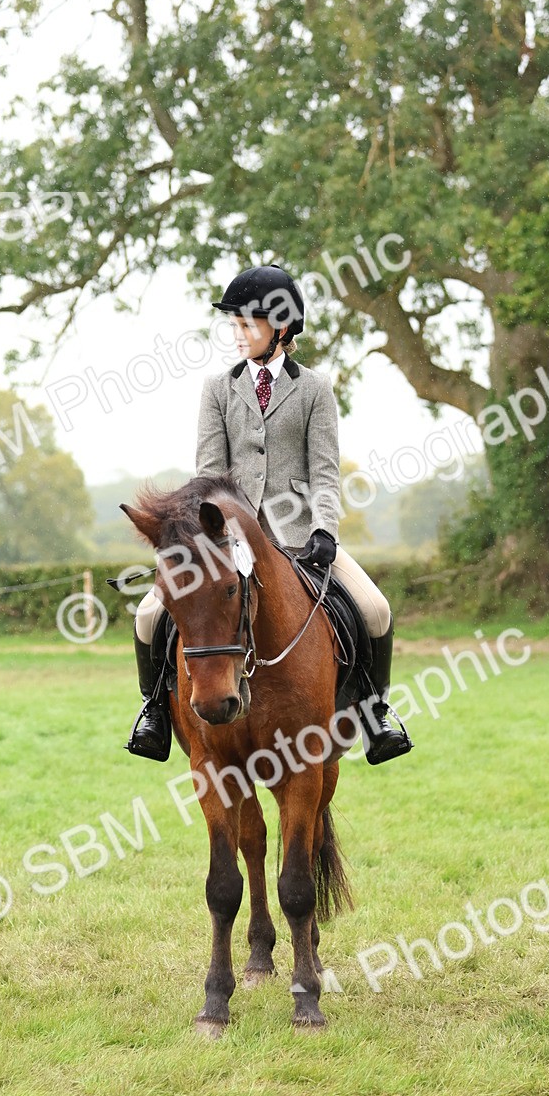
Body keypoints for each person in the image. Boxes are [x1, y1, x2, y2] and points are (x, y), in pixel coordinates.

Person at [126, 263, 412, 766]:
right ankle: (153, 712)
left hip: (303, 536)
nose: (239, 335)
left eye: (248, 325)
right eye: (235, 325)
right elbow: (209, 476)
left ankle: (375, 715)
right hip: (226, 540)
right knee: (149, 613)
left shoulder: (314, 389)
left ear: (281, 328)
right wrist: (206, 536)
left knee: (376, 609)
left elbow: (324, 472)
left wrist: (325, 528)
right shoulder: (218, 389)